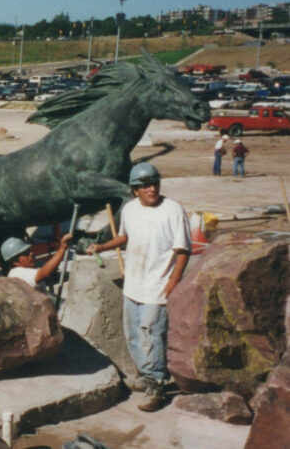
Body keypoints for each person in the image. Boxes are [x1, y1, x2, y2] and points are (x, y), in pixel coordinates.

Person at [87, 162, 190, 412]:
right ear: (135, 190)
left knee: (151, 335)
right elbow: (125, 237)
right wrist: (102, 247)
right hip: (133, 285)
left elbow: (183, 249)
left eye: (154, 183)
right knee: (134, 334)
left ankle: (157, 385)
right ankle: (146, 374)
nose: (151, 189)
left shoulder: (173, 210)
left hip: (157, 287)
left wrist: (174, 280)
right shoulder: (131, 210)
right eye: (145, 186)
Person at [2, 232, 75, 291]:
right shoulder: (19, 273)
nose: (31, 254)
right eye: (26, 253)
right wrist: (62, 248)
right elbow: (45, 272)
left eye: (29, 251)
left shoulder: (13, 272)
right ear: (15, 261)